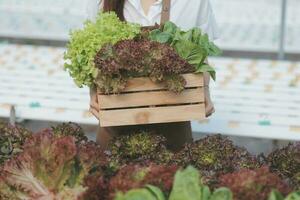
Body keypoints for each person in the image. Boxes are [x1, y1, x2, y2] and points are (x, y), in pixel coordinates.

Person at [88, 0, 218, 151]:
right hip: (116, 123)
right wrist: (93, 90)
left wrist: (205, 89)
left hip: (174, 122)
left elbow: (201, 55)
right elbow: (92, 55)